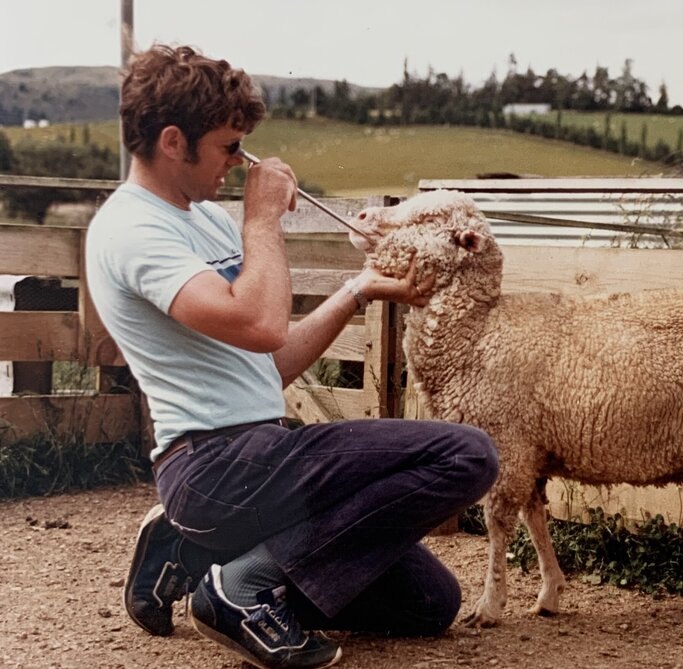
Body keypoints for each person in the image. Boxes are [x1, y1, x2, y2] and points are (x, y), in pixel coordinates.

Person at [86, 44, 499, 669]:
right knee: (467, 454)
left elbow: (269, 365)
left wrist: (358, 289)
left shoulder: (207, 221)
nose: (241, 162)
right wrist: (261, 220)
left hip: (261, 459)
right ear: (173, 141)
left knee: (428, 604)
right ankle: (239, 587)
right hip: (215, 466)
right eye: (230, 146)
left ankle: (197, 552)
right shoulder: (131, 230)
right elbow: (258, 321)